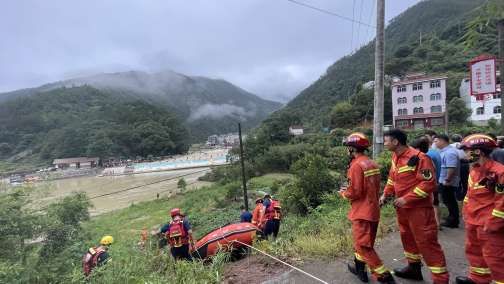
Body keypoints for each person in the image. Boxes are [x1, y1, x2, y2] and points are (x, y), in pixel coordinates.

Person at [380, 129, 449, 284]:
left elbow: (428, 183)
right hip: (403, 210)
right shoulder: (395, 157)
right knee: (407, 239)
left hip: (419, 211)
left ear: (395, 142)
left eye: (386, 141)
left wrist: (407, 199)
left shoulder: (419, 158)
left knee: (427, 243)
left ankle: (441, 279)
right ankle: (414, 269)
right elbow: (392, 178)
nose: (384, 144)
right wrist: (385, 194)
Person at [339, 132, 395, 283]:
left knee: (363, 246)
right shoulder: (372, 163)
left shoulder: (356, 166)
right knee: (363, 243)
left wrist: (343, 193)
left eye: (348, 147)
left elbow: (355, 192)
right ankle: (359, 269)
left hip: (362, 212)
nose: (347, 150)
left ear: (352, 148)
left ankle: (384, 276)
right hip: (373, 210)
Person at [455, 134, 504, 284]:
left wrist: (493, 223)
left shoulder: (499, 172)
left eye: (467, 150)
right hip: (473, 221)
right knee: (474, 253)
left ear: (478, 152)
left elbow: (502, 202)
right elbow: (470, 195)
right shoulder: (475, 170)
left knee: (495, 258)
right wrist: (466, 215)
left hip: (490, 225)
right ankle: (478, 279)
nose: (464, 154)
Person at [434, 134, 461, 228]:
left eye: (436, 141)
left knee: (450, 201)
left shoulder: (450, 152)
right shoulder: (444, 151)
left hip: (448, 181)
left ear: (442, 141)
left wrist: (447, 179)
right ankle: (451, 218)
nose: (435, 143)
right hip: (444, 180)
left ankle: (453, 221)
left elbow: (451, 168)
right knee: (448, 200)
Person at [425, 132, 442, 229]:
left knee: (430, 204)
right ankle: (438, 223)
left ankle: (433, 224)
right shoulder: (436, 152)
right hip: (437, 180)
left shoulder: (427, 154)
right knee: (436, 203)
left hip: (431, 182)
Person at [452, 134, 470, 200]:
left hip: (454, 164)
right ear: (460, 139)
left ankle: (458, 196)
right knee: (465, 180)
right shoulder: (464, 145)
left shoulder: (450, 146)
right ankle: (466, 195)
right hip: (464, 164)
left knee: (457, 181)